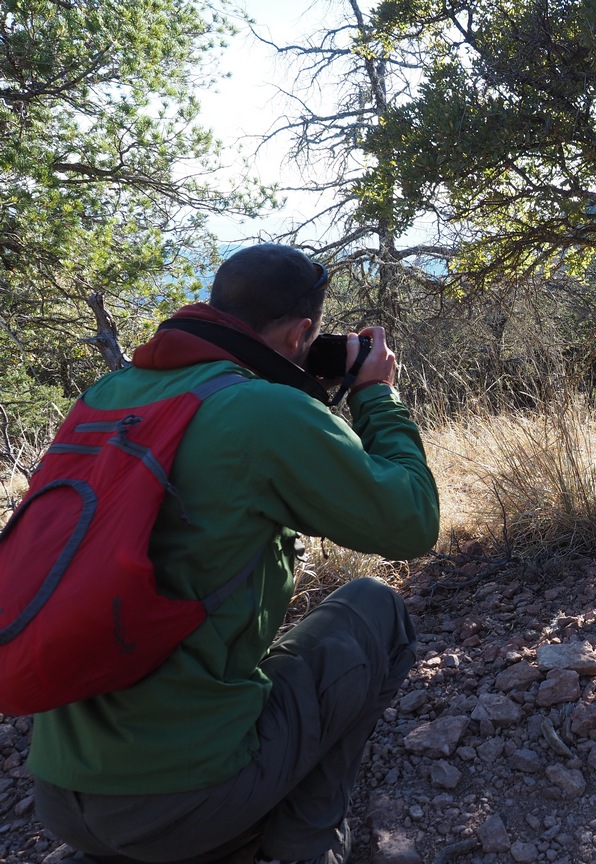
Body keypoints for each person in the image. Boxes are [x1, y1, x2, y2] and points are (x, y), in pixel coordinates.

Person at [28, 244, 440, 864]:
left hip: (60, 794)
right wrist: (375, 394)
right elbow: (412, 522)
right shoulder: (264, 411)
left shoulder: (109, 395)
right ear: (303, 330)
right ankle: (305, 846)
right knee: (374, 611)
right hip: (177, 801)